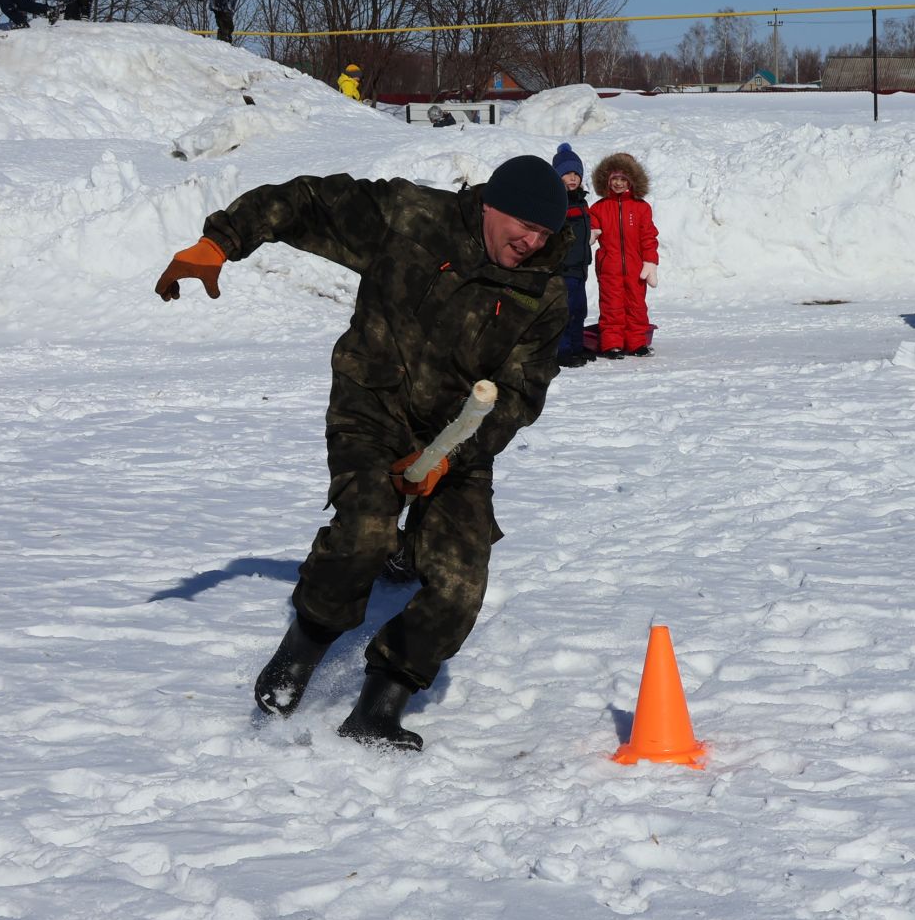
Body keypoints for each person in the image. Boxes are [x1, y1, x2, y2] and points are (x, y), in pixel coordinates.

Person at [152, 155, 571, 751]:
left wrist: (452, 455)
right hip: (372, 406)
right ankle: (305, 646)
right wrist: (221, 241)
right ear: (490, 206)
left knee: (458, 583)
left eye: (545, 234)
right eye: (524, 226)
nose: (532, 242)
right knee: (368, 532)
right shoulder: (411, 218)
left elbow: (523, 390)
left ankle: (380, 704)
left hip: (457, 437)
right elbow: (307, 200)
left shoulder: (545, 291)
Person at [587, 153, 659, 359]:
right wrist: (591, 233)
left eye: (623, 179)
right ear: (607, 181)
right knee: (612, 306)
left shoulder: (641, 208)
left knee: (636, 305)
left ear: (632, 181)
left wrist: (650, 261)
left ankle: (637, 343)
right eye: (614, 179)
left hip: (636, 268)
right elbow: (591, 229)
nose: (618, 183)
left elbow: (648, 236)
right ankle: (612, 344)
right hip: (609, 267)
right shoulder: (599, 208)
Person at [552, 143, 591, 367]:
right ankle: (563, 351)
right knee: (564, 311)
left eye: (576, 173)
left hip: (580, 268)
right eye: (567, 173)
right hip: (564, 267)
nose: (573, 178)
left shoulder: (582, 201)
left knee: (579, 310)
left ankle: (577, 346)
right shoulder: (558, 203)